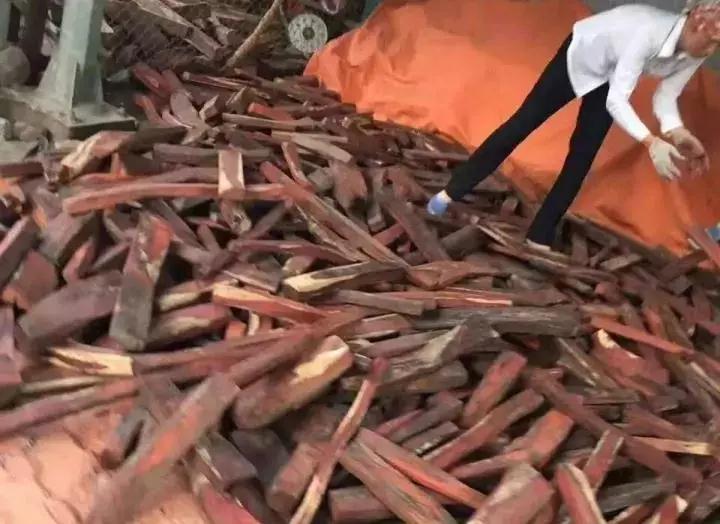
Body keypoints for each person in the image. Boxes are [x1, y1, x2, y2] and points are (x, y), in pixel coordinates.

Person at [427, 1, 720, 250]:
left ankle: (539, 235)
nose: (713, 48)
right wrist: (650, 142)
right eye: (713, 40)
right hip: (579, 58)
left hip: (611, 77)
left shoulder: (697, 51)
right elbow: (617, 100)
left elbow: (666, 96)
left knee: (582, 156)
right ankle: (451, 192)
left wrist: (677, 132)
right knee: (523, 123)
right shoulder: (648, 32)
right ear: (698, 24)